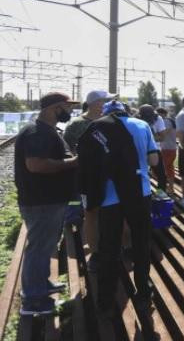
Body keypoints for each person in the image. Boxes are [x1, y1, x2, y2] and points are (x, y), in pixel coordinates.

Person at [77, 100, 158, 315]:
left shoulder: (98, 128)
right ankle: (143, 291)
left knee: (109, 247)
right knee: (140, 242)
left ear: (106, 114)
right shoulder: (142, 125)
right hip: (139, 193)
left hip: (109, 197)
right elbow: (154, 160)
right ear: (125, 111)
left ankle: (105, 301)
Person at [15, 92, 79, 315]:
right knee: (39, 249)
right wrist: (72, 163)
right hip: (41, 201)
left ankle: (41, 285)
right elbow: (35, 165)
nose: (70, 112)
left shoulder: (46, 130)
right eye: (67, 107)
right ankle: (33, 302)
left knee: (45, 246)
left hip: (48, 200)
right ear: (55, 108)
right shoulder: (37, 132)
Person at [63, 89, 116, 273]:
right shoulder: (76, 124)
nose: (108, 105)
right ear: (96, 103)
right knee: (90, 213)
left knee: (106, 212)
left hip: (108, 176)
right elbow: (67, 148)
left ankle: (108, 245)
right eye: (105, 101)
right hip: (87, 177)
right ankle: (94, 253)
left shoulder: (108, 121)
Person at [138, 104, 169, 198]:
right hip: (140, 149)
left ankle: (160, 194)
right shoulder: (136, 119)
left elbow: (163, 137)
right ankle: (141, 195)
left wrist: (148, 137)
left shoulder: (158, 118)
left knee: (161, 175)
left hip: (154, 149)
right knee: (139, 173)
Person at [157, 107, 177, 195]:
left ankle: (165, 190)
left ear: (162, 114)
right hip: (170, 148)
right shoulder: (169, 121)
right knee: (169, 169)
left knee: (163, 170)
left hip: (167, 149)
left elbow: (163, 134)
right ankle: (171, 188)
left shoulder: (165, 121)